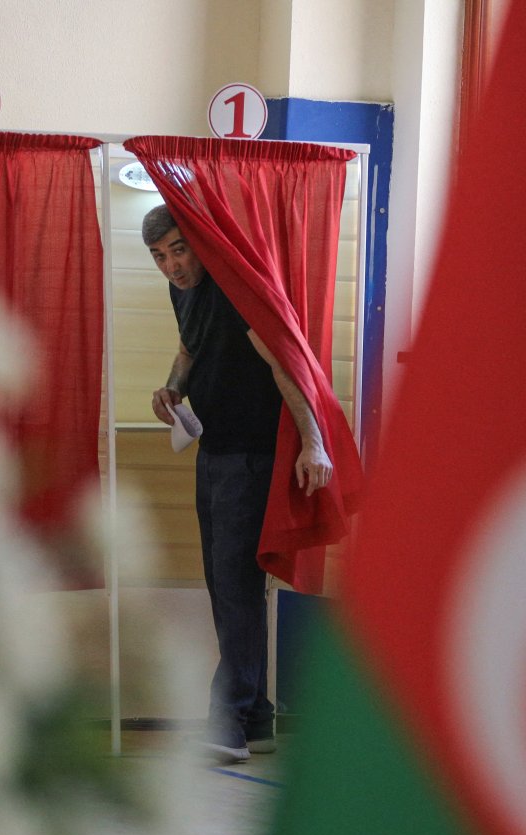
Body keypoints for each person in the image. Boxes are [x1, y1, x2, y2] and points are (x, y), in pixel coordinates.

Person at [143, 204, 333, 764]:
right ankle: (257, 719)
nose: (172, 266)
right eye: (159, 257)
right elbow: (188, 348)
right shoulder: (184, 292)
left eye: (179, 250)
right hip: (214, 451)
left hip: (252, 458)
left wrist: (315, 441)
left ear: (199, 243)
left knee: (234, 589)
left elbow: (282, 363)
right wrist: (172, 388)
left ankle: (225, 723)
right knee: (230, 590)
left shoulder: (232, 288)